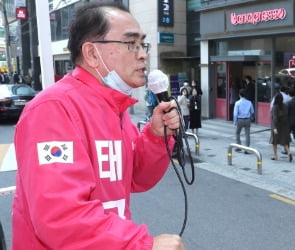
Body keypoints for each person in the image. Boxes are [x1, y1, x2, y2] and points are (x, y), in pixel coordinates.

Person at [12, 3, 184, 250]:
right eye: (130, 44)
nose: (143, 54)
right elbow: (60, 216)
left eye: (142, 44)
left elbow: (136, 178)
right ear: (92, 54)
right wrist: (143, 245)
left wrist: (156, 136)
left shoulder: (116, 108)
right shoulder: (53, 109)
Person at [270, 93, 292, 162]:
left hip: (277, 125)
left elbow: (275, 118)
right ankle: (289, 152)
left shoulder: (275, 107)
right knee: (284, 141)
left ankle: (275, 155)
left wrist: (274, 127)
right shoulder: (285, 106)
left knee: (274, 141)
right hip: (284, 126)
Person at [233, 88, 254, 153]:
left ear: (239, 95)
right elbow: (252, 111)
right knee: (247, 134)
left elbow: (235, 113)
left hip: (240, 119)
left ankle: (239, 147)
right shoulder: (249, 102)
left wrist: (235, 121)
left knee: (237, 133)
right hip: (247, 119)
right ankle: (247, 149)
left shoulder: (237, 103)